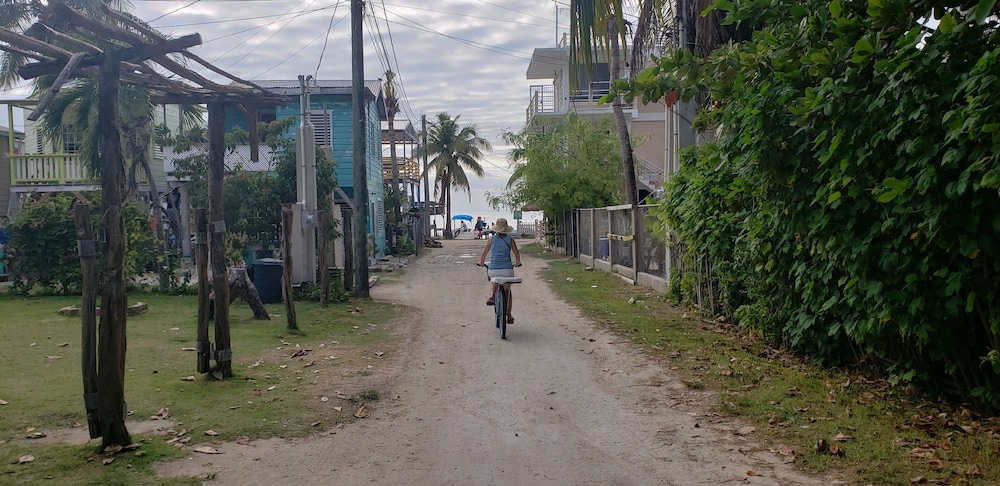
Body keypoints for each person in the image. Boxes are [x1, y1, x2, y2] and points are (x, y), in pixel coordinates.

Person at [478, 218, 521, 324]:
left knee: (493, 279)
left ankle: (492, 295)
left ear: (496, 229)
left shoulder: (491, 239)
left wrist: (482, 263)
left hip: (494, 269)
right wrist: (517, 263)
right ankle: (509, 315)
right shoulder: (511, 240)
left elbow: (484, 253)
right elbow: (517, 254)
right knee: (508, 292)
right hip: (507, 270)